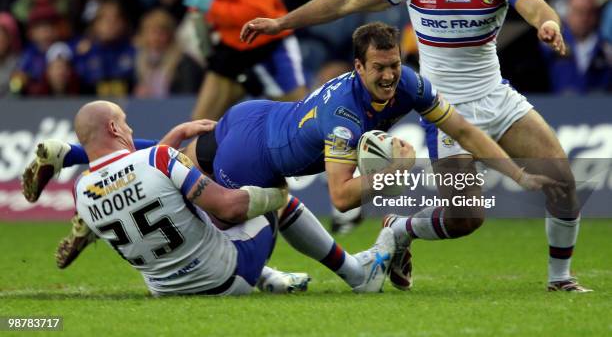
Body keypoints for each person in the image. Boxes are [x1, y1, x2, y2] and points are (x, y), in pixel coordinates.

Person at [25, 22, 560, 293]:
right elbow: (343, 195)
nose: (390, 75)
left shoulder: (411, 84)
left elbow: (463, 127)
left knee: (177, 162)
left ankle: (73, 157)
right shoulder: (345, 117)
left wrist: (514, 171)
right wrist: (399, 173)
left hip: (255, 116)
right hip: (254, 157)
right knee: (247, 203)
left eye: (394, 65)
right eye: (378, 68)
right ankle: (347, 275)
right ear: (357, 67)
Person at [240, 0, 590, 292]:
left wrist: (548, 25)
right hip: (443, 108)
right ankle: (401, 229)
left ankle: (560, 280)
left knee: (562, 178)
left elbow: (535, 6)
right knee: (466, 219)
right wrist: (282, 23)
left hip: (496, 98)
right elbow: (346, 0)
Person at [69, 100, 313, 296]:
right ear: (113, 128)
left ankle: (271, 277)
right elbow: (229, 208)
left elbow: (140, 175)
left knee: (189, 211)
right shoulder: (158, 158)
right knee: (254, 196)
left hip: (164, 290)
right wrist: (278, 195)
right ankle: (350, 270)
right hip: (226, 279)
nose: (130, 129)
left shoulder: (81, 189)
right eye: (125, 122)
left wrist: (179, 132)